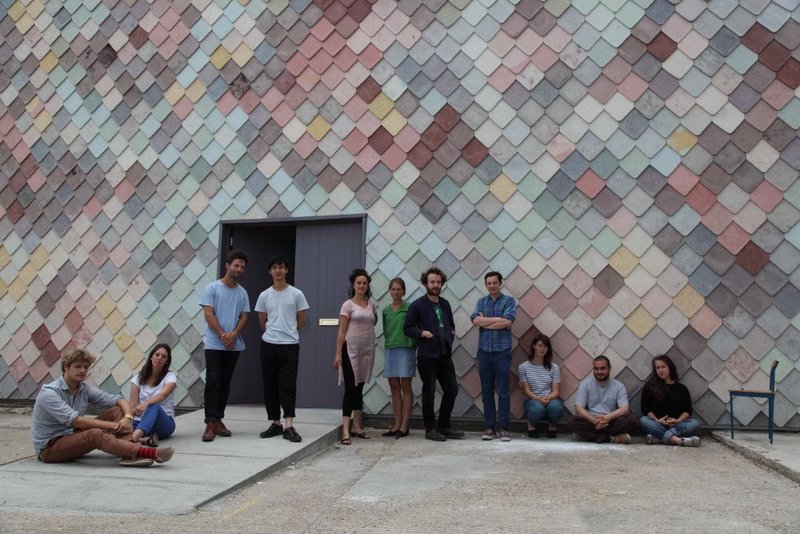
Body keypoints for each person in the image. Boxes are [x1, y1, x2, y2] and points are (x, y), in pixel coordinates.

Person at [31, 349, 174, 466]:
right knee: (95, 434)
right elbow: (77, 421)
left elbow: (117, 400)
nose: (82, 370)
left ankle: (128, 452)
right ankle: (147, 453)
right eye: (77, 366)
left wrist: (128, 418)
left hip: (72, 434)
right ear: (66, 367)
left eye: (85, 367)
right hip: (50, 447)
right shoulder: (49, 393)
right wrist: (116, 426)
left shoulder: (83, 388)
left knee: (117, 411)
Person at [403, 267, 464, 442]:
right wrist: (421, 333)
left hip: (444, 354)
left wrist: (450, 336)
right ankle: (430, 429)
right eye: (432, 282)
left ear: (442, 283)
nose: (435, 285)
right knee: (429, 391)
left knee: (451, 389)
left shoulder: (445, 304)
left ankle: (444, 426)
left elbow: (450, 324)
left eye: (438, 282)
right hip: (427, 356)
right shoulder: (417, 305)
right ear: (425, 283)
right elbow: (408, 328)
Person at [255, 255, 310, 443]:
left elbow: (302, 320)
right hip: (269, 344)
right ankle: (275, 423)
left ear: (286, 270)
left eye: (281, 267)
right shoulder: (264, 295)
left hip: (289, 345)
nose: (278, 270)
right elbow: (262, 321)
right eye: (274, 267)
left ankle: (289, 424)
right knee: (270, 385)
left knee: (288, 385)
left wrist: (288, 331)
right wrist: (274, 332)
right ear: (269, 272)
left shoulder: (296, 294)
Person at [200, 249, 249, 442]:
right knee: (213, 381)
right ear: (227, 265)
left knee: (225, 383)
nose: (239, 269)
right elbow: (208, 313)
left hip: (233, 345)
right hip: (214, 343)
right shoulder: (212, 288)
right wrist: (222, 335)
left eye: (242, 267)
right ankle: (210, 422)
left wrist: (234, 334)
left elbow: (245, 315)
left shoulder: (242, 292)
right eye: (236, 265)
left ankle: (219, 419)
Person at [334, 268, 378, 445]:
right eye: (358, 282)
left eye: (364, 283)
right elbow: (342, 330)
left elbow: (373, 323)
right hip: (350, 350)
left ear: (367, 286)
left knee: (360, 388)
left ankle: (357, 427)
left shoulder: (372, 305)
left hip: (366, 351)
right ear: (353, 285)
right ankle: (345, 428)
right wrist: (337, 354)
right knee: (350, 389)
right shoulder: (347, 305)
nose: (361, 285)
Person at [471, 271, 516, 441]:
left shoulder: (509, 301)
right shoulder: (481, 302)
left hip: (502, 352)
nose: (491, 286)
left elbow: (508, 322)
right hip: (484, 353)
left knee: (503, 391)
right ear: (486, 285)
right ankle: (489, 427)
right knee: (487, 391)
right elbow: (475, 320)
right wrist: (497, 321)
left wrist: (486, 321)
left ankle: (504, 428)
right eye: (488, 283)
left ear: (500, 283)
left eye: (494, 283)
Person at [568, 355, 637, 444]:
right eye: (596, 369)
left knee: (632, 420)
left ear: (609, 368)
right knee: (571, 421)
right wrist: (594, 420)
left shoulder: (618, 386)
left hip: (611, 421)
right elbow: (579, 408)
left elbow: (624, 409)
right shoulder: (586, 384)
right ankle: (611, 438)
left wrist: (607, 418)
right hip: (591, 421)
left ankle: (588, 436)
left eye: (603, 368)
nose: (599, 371)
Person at [639, 355, 701, 447]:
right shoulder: (649, 386)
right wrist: (657, 420)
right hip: (657, 424)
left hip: (676, 426)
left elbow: (687, 411)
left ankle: (659, 438)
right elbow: (645, 408)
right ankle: (678, 441)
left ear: (670, 367)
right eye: (658, 368)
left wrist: (678, 421)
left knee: (695, 424)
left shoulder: (682, 389)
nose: (660, 370)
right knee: (643, 420)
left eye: (663, 367)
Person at [381, 278, 415, 438]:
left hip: (406, 348)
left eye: (398, 289)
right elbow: (385, 330)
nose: (395, 292)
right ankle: (396, 424)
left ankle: (405, 425)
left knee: (406, 386)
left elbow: (414, 327)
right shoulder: (386, 311)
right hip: (391, 349)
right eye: (393, 289)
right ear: (390, 291)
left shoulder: (409, 308)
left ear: (403, 291)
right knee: (394, 386)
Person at [129, 343, 177, 445]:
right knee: (118, 421)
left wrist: (146, 403)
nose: (160, 358)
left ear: (166, 362)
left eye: (164, 357)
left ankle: (133, 440)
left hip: (164, 424)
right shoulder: (138, 378)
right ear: (151, 357)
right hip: (140, 422)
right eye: (157, 355)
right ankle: (144, 440)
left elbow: (162, 395)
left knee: (154, 406)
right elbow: (132, 407)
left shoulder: (170, 377)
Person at [518, 334, 563, 438]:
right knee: (537, 410)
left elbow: (556, 391)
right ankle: (531, 424)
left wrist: (549, 397)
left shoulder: (554, 367)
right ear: (533, 346)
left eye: (545, 346)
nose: (542, 349)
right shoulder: (523, 367)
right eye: (540, 345)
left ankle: (552, 424)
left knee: (557, 408)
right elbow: (526, 390)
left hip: (549, 398)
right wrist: (538, 399)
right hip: (531, 399)